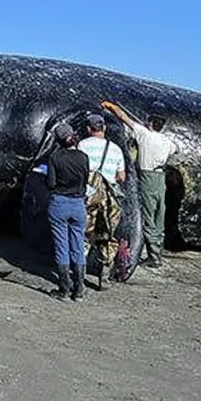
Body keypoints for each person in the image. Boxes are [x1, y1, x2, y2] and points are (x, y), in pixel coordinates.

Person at [100, 100, 177, 268]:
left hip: (148, 178)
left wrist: (110, 106)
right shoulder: (167, 141)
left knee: (148, 215)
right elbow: (175, 149)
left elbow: (123, 117)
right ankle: (158, 251)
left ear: (150, 123)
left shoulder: (145, 134)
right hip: (160, 178)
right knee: (158, 215)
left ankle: (153, 257)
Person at [78, 113, 126, 290]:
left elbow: (78, 167)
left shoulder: (82, 145)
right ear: (104, 128)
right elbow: (121, 176)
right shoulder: (115, 149)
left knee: (84, 234)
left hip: (88, 198)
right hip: (109, 200)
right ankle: (104, 277)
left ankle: (79, 275)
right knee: (107, 236)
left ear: (89, 129)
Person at [44, 122, 90, 301]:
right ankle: (79, 289)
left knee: (61, 246)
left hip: (59, 203)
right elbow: (85, 179)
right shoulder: (83, 157)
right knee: (78, 246)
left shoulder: (55, 158)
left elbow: (51, 184)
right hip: (78, 204)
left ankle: (64, 289)